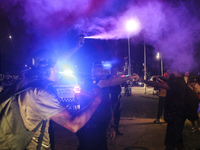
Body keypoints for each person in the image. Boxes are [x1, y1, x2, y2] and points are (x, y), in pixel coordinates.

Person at [3, 50, 103, 150]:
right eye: (57, 67)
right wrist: (95, 101)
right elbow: (74, 125)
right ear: (47, 69)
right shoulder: (40, 94)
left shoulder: (23, 84)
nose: (59, 71)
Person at [76, 62, 138, 150]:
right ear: (92, 72)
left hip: (101, 129)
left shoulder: (104, 87)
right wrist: (129, 77)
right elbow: (111, 81)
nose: (103, 73)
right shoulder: (91, 83)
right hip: (89, 130)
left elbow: (108, 106)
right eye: (99, 71)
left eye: (104, 71)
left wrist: (112, 126)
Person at [135, 70, 187, 150]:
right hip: (178, 115)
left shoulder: (176, 82)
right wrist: (159, 76)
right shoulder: (179, 80)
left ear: (176, 71)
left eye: (172, 70)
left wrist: (142, 80)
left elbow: (158, 84)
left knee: (170, 142)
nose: (170, 72)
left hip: (175, 116)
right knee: (178, 139)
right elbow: (167, 79)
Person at [110, 67, 123, 135]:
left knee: (117, 115)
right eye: (114, 71)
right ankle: (111, 130)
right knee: (112, 115)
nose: (116, 72)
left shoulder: (117, 78)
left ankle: (116, 129)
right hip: (113, 99)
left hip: (117, 99)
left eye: (116, 71)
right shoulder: (110, 79)